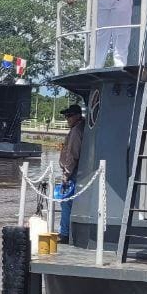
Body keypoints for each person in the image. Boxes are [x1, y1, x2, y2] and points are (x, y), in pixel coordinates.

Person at [57, 103, 84, 243]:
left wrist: (66, 175)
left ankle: (65, 234)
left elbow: (72, 154)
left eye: (69, 116)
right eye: (66, 116)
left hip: (72, 173)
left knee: (65, 202)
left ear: (77, 116)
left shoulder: (75, 131)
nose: (67, 118)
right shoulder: (78, 128)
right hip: (75, 172)